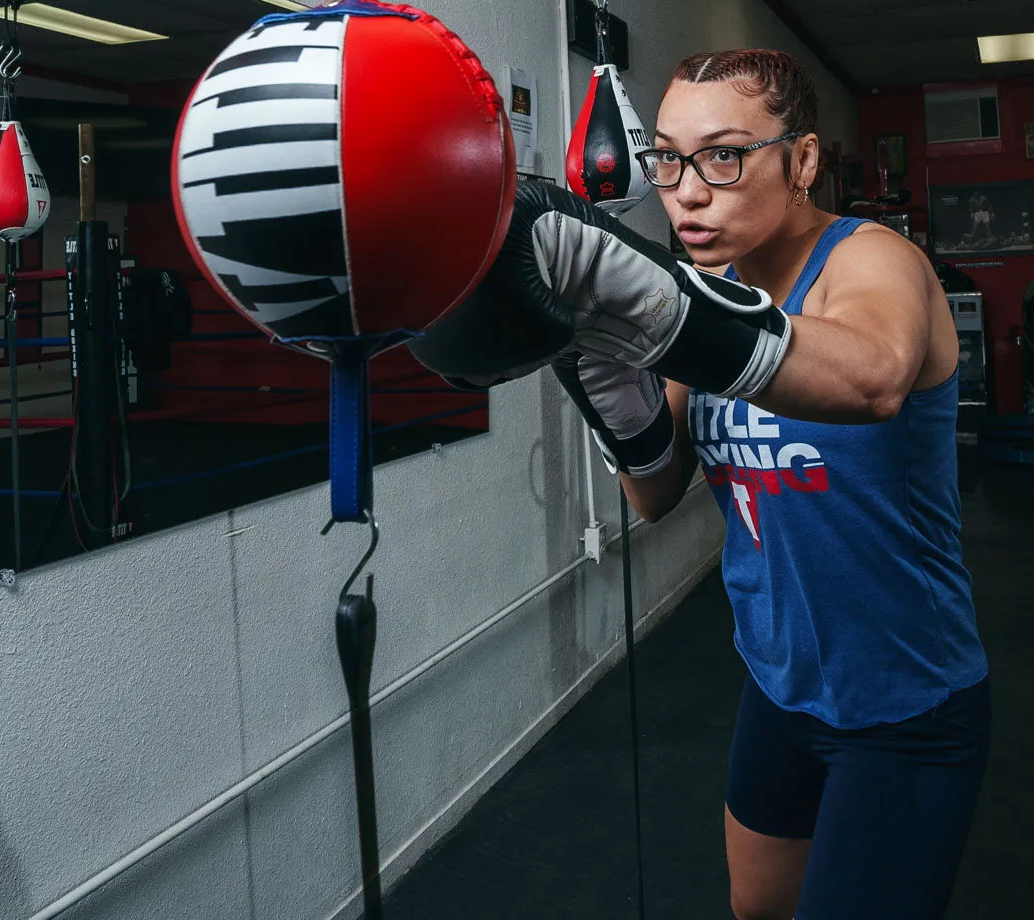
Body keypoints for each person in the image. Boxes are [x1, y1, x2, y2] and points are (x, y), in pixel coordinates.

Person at [411, 49, 990, 920]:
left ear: (800, 161)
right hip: (779, 682)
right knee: (756, 909)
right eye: (667, 159)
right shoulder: (705, 293)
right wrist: (597, 368)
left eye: (723, 156)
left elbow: (874, 379)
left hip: (902, 700)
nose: (685, 190)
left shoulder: (870, 261)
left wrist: (654, 305)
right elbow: (658, 490)